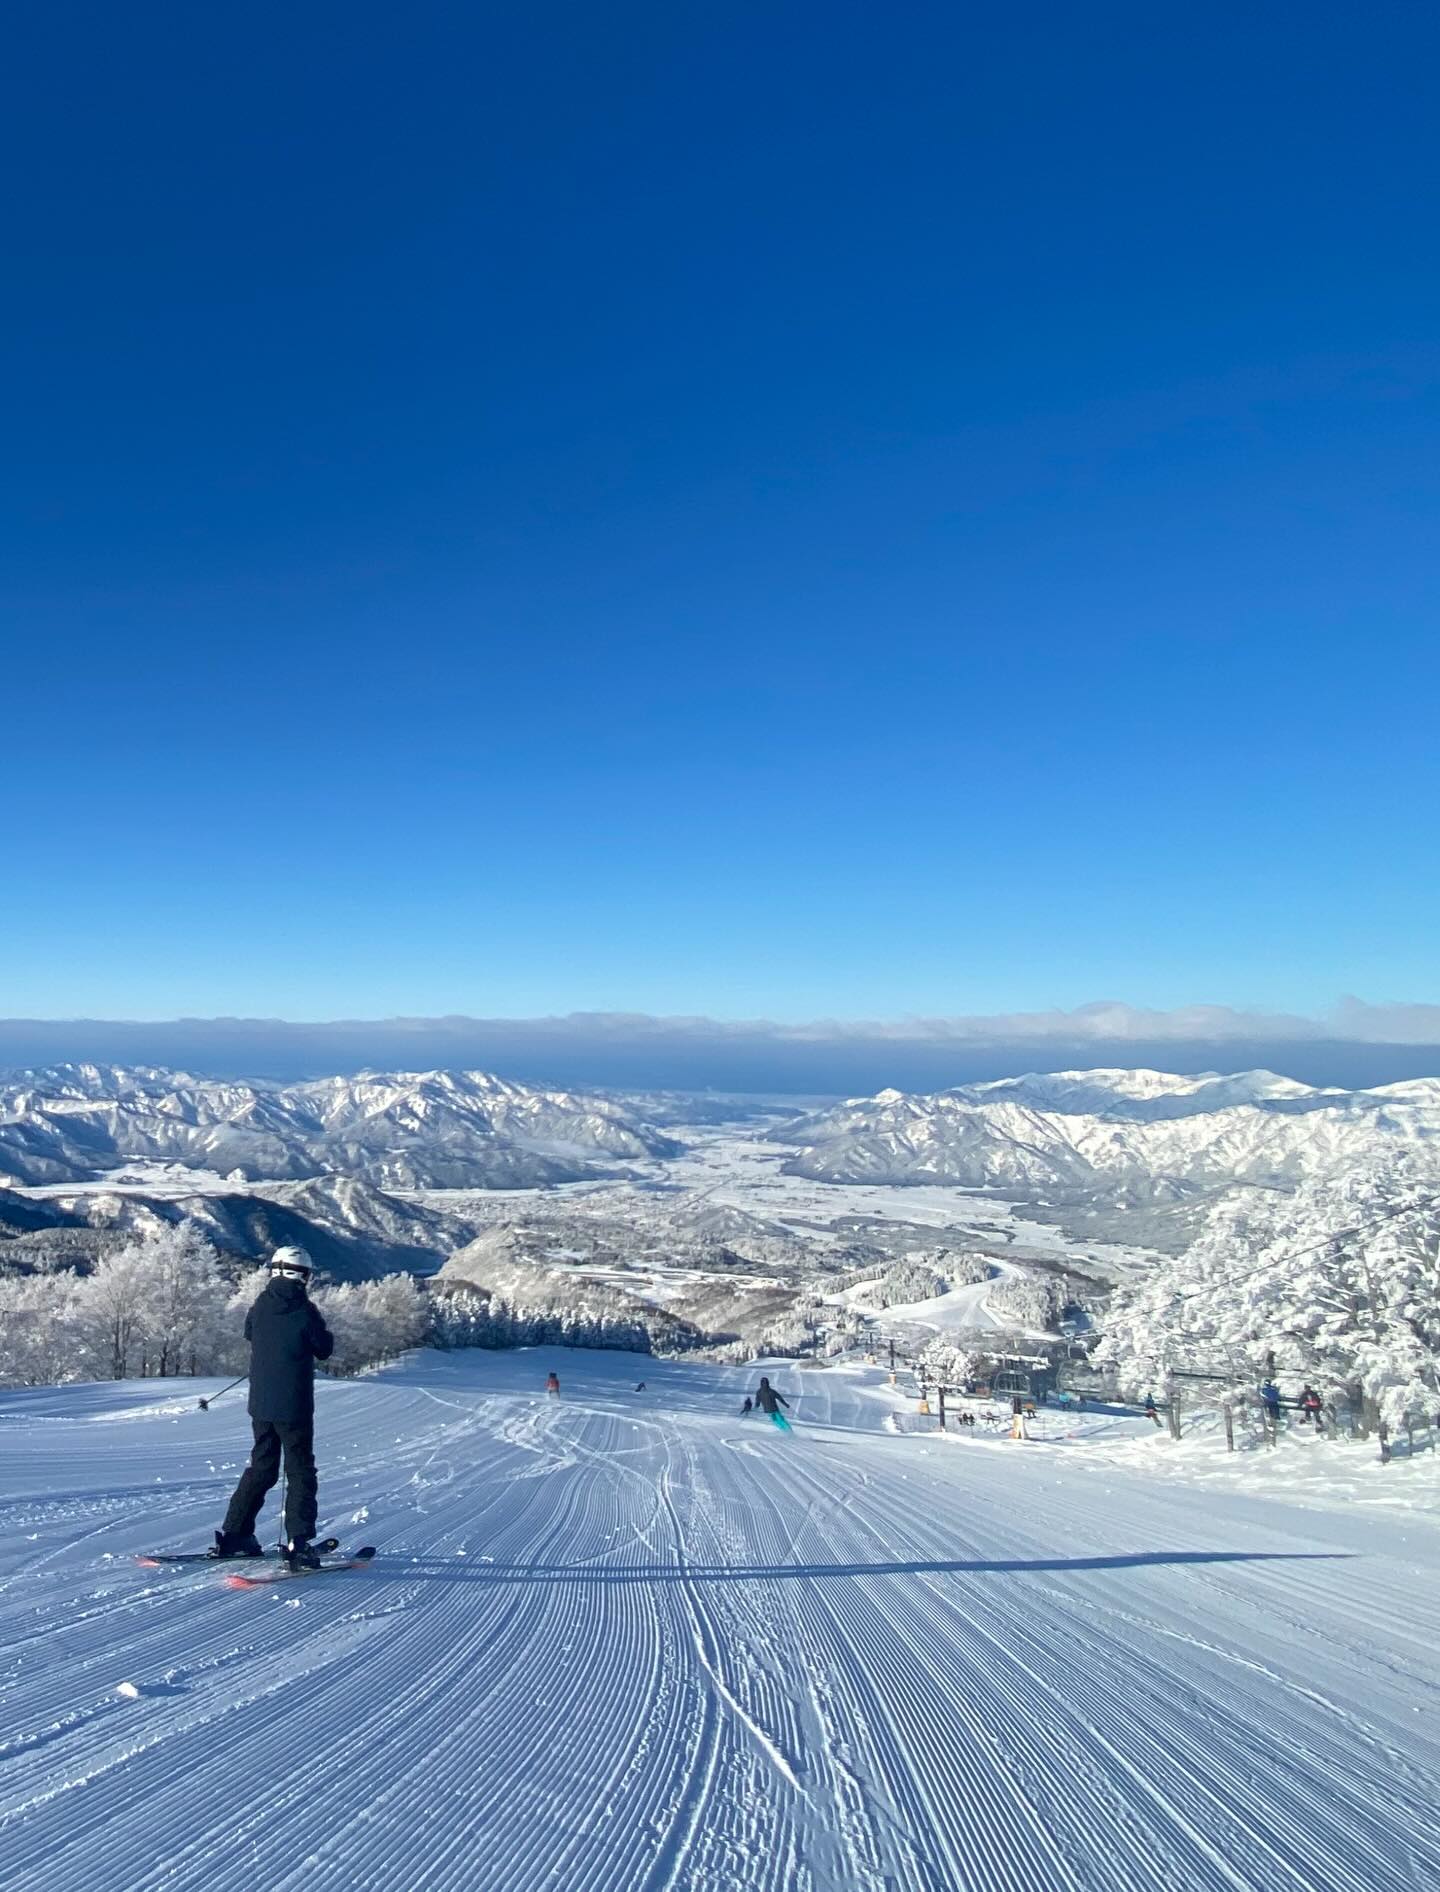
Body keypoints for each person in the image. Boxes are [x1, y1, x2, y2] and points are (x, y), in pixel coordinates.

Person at [213, 1246, 334, 1568]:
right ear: (303, 1275)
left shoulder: (260, 1305)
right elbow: (324, 1348)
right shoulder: (305, 1311)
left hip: (261, 1406)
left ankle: (235, 1535)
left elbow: (249, 1333)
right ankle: (298, 1542)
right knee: (300, 1471)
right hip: (294, 1406)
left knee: (262, 1467)